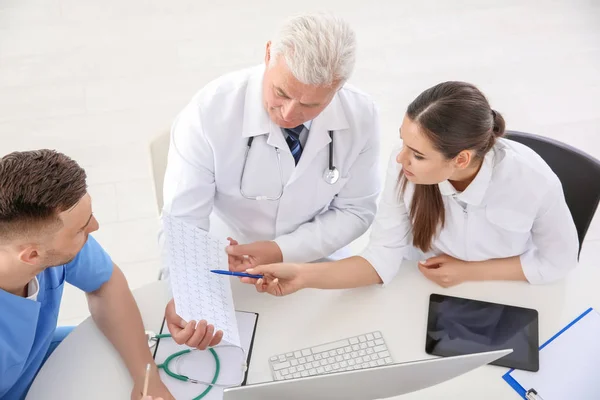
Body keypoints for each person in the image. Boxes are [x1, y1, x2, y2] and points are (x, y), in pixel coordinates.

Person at [236, 81, 579, 295]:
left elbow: (558, 261)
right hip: (419, 282)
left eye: (417, 155)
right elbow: (381, 257)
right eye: (403, 142)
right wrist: (302, 274)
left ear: (460, 159)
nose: (400, 160)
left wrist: (470, 272)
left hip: (505, 289)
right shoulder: (408, 169)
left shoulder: (533, 182)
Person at [162, 13, 381, 342]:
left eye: (311, 104)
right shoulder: (209, 112)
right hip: (227, 262)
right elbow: (183, 221)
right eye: (281, 92)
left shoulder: (361, 116)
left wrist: (281, 250)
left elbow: (356, 211)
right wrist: (187, 293)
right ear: (268, 54)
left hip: (317, 261)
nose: (290, 114)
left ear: (338, 87)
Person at [0, 150, 176, 400]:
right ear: (31, 256)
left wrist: (146, 378)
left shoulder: (44, 246)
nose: (95, 227)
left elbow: (105, 284)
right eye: (81, 229)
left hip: (39, 359)